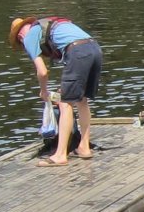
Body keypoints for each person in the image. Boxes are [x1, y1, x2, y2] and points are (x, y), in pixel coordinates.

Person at [10, 15, 102, 164]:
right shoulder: (50, 26)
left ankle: (60, 155)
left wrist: (44, 91)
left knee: (65, 104)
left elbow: (43, 71)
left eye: (19, 42)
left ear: (20, 35)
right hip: (95, 48)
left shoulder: (28, 37)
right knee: (82, 100)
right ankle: (84, 147)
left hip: (77, 51)